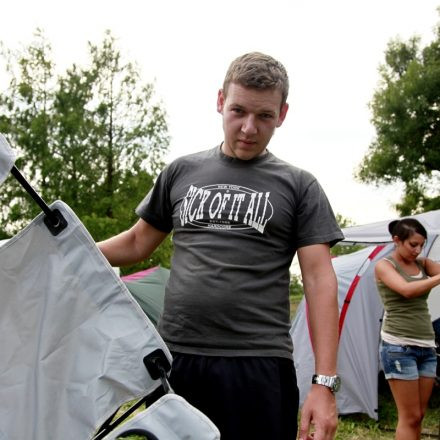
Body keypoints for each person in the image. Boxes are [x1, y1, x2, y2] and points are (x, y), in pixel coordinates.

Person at [98, 52, 343, 440]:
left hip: (258, 364)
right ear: (219, 102)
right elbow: (136, 242)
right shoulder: (181, 171)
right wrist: (67, 249)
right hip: (178, 360)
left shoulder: (300, 186)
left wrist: (324, 384)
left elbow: (319, 279)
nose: (248, 128)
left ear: (282, 114)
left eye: (264, 116)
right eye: (238, 111)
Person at [375, 218, 440, 440]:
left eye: (421, 245)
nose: (418, 250)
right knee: (409, 416)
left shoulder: (424, 264)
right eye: (413, 244)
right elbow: (407, 290)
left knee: (419, 415)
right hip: (398, 347)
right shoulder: (384, 266)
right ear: (397, 240)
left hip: (426, 347)